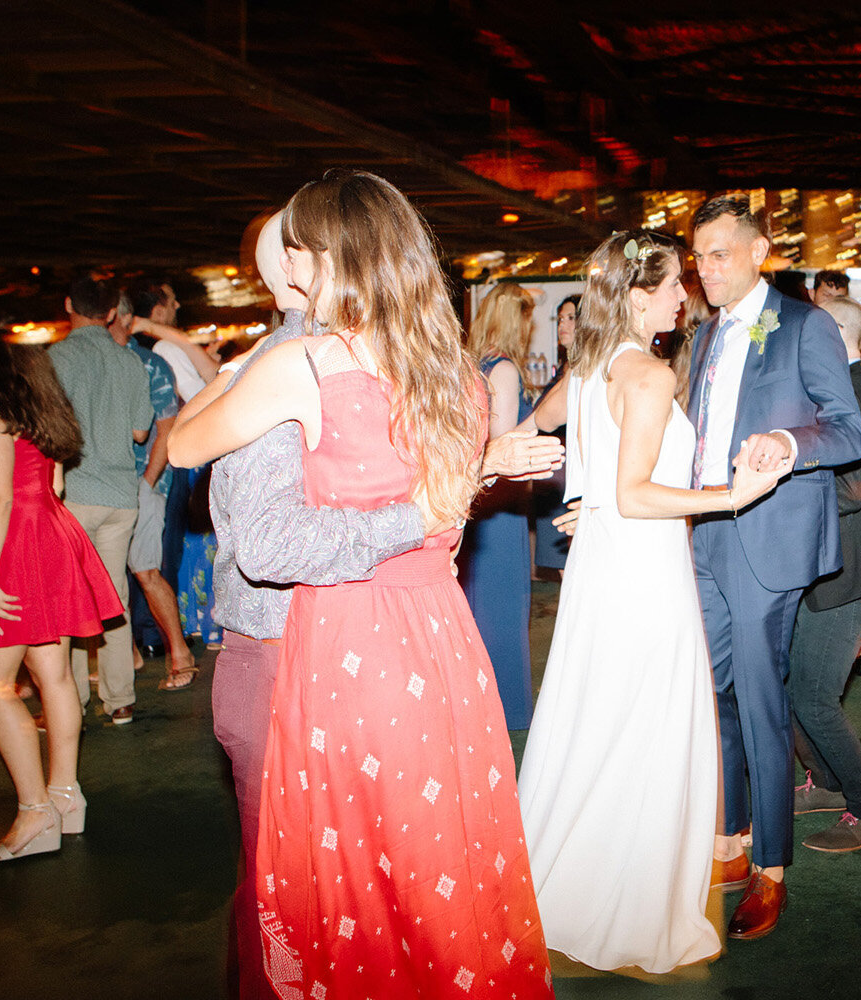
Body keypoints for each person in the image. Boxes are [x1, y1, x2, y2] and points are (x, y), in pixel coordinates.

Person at [168, 169, 552, 999]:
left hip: (348, 645)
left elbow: (185, 450)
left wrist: (239, 373)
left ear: (323, 257)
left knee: (347, 885)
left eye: (298, 246)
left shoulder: (302, 365)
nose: (289, 263)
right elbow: (445, 520)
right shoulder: (459, 373)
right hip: (442, 640)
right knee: (441, 869)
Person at [518, 230, 785, 972]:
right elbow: (636, 493)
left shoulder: (590, 366)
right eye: (671, 285)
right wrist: (732, 496)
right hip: (642, 572)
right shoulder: (648, 374)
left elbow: (580, 464)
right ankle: (623, 904)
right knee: (644, 724)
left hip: (605, 566)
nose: (683, 294)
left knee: (595, 720)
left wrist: (589, 504)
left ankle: (563, 882)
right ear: (639, 296)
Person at [686, 194, 861, 940]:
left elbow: (848, 428)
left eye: (719, 253)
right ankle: (731, 839)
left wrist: (788, 445)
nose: (706, 270)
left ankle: (773, 866)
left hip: (769, 535)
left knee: (761, 698)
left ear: (761, 250)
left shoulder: (806, 323)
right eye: (697, 257)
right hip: (705, 531)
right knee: (713, 689)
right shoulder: (704, 336)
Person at [0, 299, 123, 859]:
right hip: (50, 530)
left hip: (12, 543)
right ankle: (66, 797)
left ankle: (34, 813)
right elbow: (57, 485)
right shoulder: (42, 398)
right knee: (54, 674)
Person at [789, 298, 861, 853]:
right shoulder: (849, 389)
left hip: (853, 567)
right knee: (795, 688)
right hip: (840, 563)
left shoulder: (854, 396)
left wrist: (778, 467)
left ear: (840, 336)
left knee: (812, 698)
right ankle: (829, 783)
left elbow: (832, 487)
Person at [49, 275, 154, 725]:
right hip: (120, 497)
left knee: (68, 599)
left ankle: (70, 699)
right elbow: (140, 432)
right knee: (115, 596)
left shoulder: (54, 359)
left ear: (68, 304)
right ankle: (121, 699)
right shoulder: (130, 362)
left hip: (72, 494)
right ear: (112, 312)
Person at [458, 283, 537, 730]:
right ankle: (504, 707)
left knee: (482, 603)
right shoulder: (503, 369)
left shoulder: (474, 363)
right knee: (503, 606)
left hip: (483, 499)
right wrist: (543, 417)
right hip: (501, 500)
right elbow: (504, 442)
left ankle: (479, 702)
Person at [108, 293, 196, 690]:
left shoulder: (150, 363)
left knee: (146, 571)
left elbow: (165, 428)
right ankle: (128, 655)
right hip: (104, 484)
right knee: (109, 575)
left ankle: (181, 654)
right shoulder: (96, 363)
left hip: (145, 481)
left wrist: (147, 483)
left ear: (124, 318)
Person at [531, 294, 579, 576]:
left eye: (571, 318)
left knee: (573, 569)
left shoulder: (584, 367)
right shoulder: (565, 367)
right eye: (560, 318)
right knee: (565, 570)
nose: (563, 324)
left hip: (570, 477)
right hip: (555, 478)